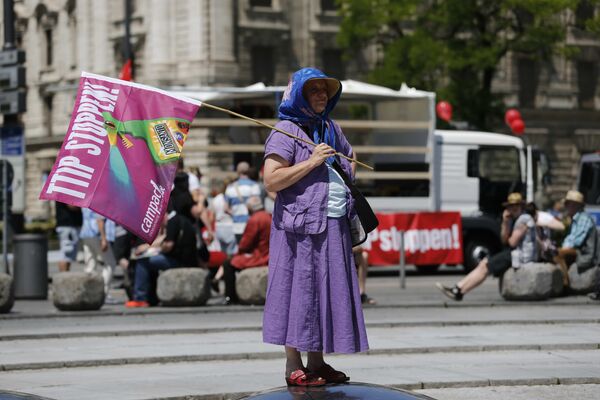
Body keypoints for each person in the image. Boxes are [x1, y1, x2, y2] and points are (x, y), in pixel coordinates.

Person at [262, 67, 368, 387]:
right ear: (298, 95)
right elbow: (271, 180)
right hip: (298, 229)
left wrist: (344, 166)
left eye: (325, 90)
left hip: (331, 224)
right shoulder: (285, 130)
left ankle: (317, 363)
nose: (322, 95)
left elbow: (350, 157)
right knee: (296, 292)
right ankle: (293, 365)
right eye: (314, 90)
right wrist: (311, 162)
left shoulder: (329, 127)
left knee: (323, 293)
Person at [436, 193, 537, 301]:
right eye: (510, 206)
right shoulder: (513, 219)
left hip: (521, 256)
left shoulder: (524, 219)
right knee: (483, 263)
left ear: (521, 206)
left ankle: (459, 291)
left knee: (485, 267)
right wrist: (505, 222)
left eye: (516, 206)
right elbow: (504, 240)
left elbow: (512, 242)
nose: (513, 209)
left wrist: (509, 233)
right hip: (514, 253)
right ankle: (458, 288)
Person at [125, 201, 199, 308]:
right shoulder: (179, 219)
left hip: (179, 261)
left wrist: (157, 249)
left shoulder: (172, 222)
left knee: (143, 262)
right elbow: (165, 238)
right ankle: (152, 297)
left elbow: (168, 246)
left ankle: (140, 298)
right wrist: (149, 247)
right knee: (150, 260)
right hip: (186, 259)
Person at [222, 196, 271, 305]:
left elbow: (245, 243)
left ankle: (230, 296)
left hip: (259, 256)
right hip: (269, 254)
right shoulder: (269, 216)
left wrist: (239, 252)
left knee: (228, 264)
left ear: (250, 208)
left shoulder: (255, 219)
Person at [553, 190, 598, 290]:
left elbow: (577, 241)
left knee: (558, 254)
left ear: (577, 206)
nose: (567, 207)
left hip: (585, 254)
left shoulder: (583, 218)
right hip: (578, 250)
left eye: (569, 204)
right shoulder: (575, 219)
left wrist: (562, 249)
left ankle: (565, 283)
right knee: (555, 253)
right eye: (567, 204)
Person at [79, 208, 118, 304]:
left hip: (86, 233)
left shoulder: (87, 197)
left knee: (90, 265)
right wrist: (104, 238)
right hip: (96, 234)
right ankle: (103, 293)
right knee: (110, 263)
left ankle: (88, 292)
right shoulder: (100, 198)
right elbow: (99, 219)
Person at [225, 161, 261, 243]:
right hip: (251, 224)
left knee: (240, 250)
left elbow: (226, 209)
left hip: (236, 226)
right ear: (249, 171)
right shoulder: (254, 185)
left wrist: (235, 214)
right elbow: (256, 206)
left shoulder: (230, 187)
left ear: (237, 172)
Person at [55, 201, 82, 272]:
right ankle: (63, 279)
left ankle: (65, 276)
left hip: (70, 226)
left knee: (68, 256)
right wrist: (85, 206)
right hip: (67, 226)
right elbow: (71, 206)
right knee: (65, 255)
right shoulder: (65, 190)